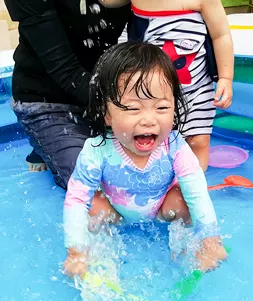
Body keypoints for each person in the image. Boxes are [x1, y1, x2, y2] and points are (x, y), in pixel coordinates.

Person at [63, 42, 228, 277]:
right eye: (133, 109)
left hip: (162, 210)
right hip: (116, 214)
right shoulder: (96, 150)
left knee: (183, 200)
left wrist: (210, 240)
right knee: (92, 206)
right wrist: (76, 252)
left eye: (161, 107)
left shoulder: (174, 146)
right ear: (107, 114)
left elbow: (198, 191)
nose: (149, 120)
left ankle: (179, 245)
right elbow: (76, 200)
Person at [4, 0, 131, 188]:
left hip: (101, 91)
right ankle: (46, 138)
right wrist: (122, 108)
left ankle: (52, 144)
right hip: (46, 101)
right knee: (96, 186)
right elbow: (64, 68)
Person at [99, 0, 234, 171]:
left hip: (197, 87)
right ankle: (157, 184)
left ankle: (195, 187)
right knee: (154, 142)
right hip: (151, 96)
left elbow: (221, 35)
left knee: (198, 141)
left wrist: (225, 78)